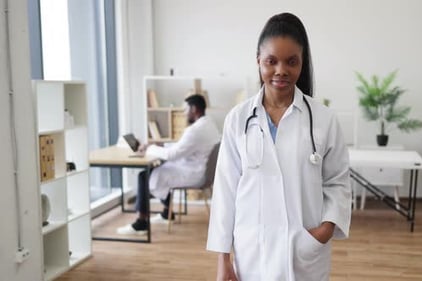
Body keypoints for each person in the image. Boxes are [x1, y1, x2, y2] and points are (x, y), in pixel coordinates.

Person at [206, 12, 351, 281]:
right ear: (258, 60)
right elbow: (225, 192)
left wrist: (325, 230)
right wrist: (222, 259)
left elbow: (338, 182)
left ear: (302, 63)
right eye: (271, 61)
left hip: (304, 249)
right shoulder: (238, 119)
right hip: (252, 250)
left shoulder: (323, 119)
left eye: (291, 62)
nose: (281, 70)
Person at [118, 94, 220, 235]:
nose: (184, 113)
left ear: (194, 109)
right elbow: (183, 146)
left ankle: (141, 222)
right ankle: (167, 213)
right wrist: (159, 145)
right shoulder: (209, 124)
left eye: (185, 110)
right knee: (157, 170)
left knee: (144, 175)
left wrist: (149, 148)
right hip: (200, 171)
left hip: (193, 174)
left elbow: (172, 155)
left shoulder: (194, 130)